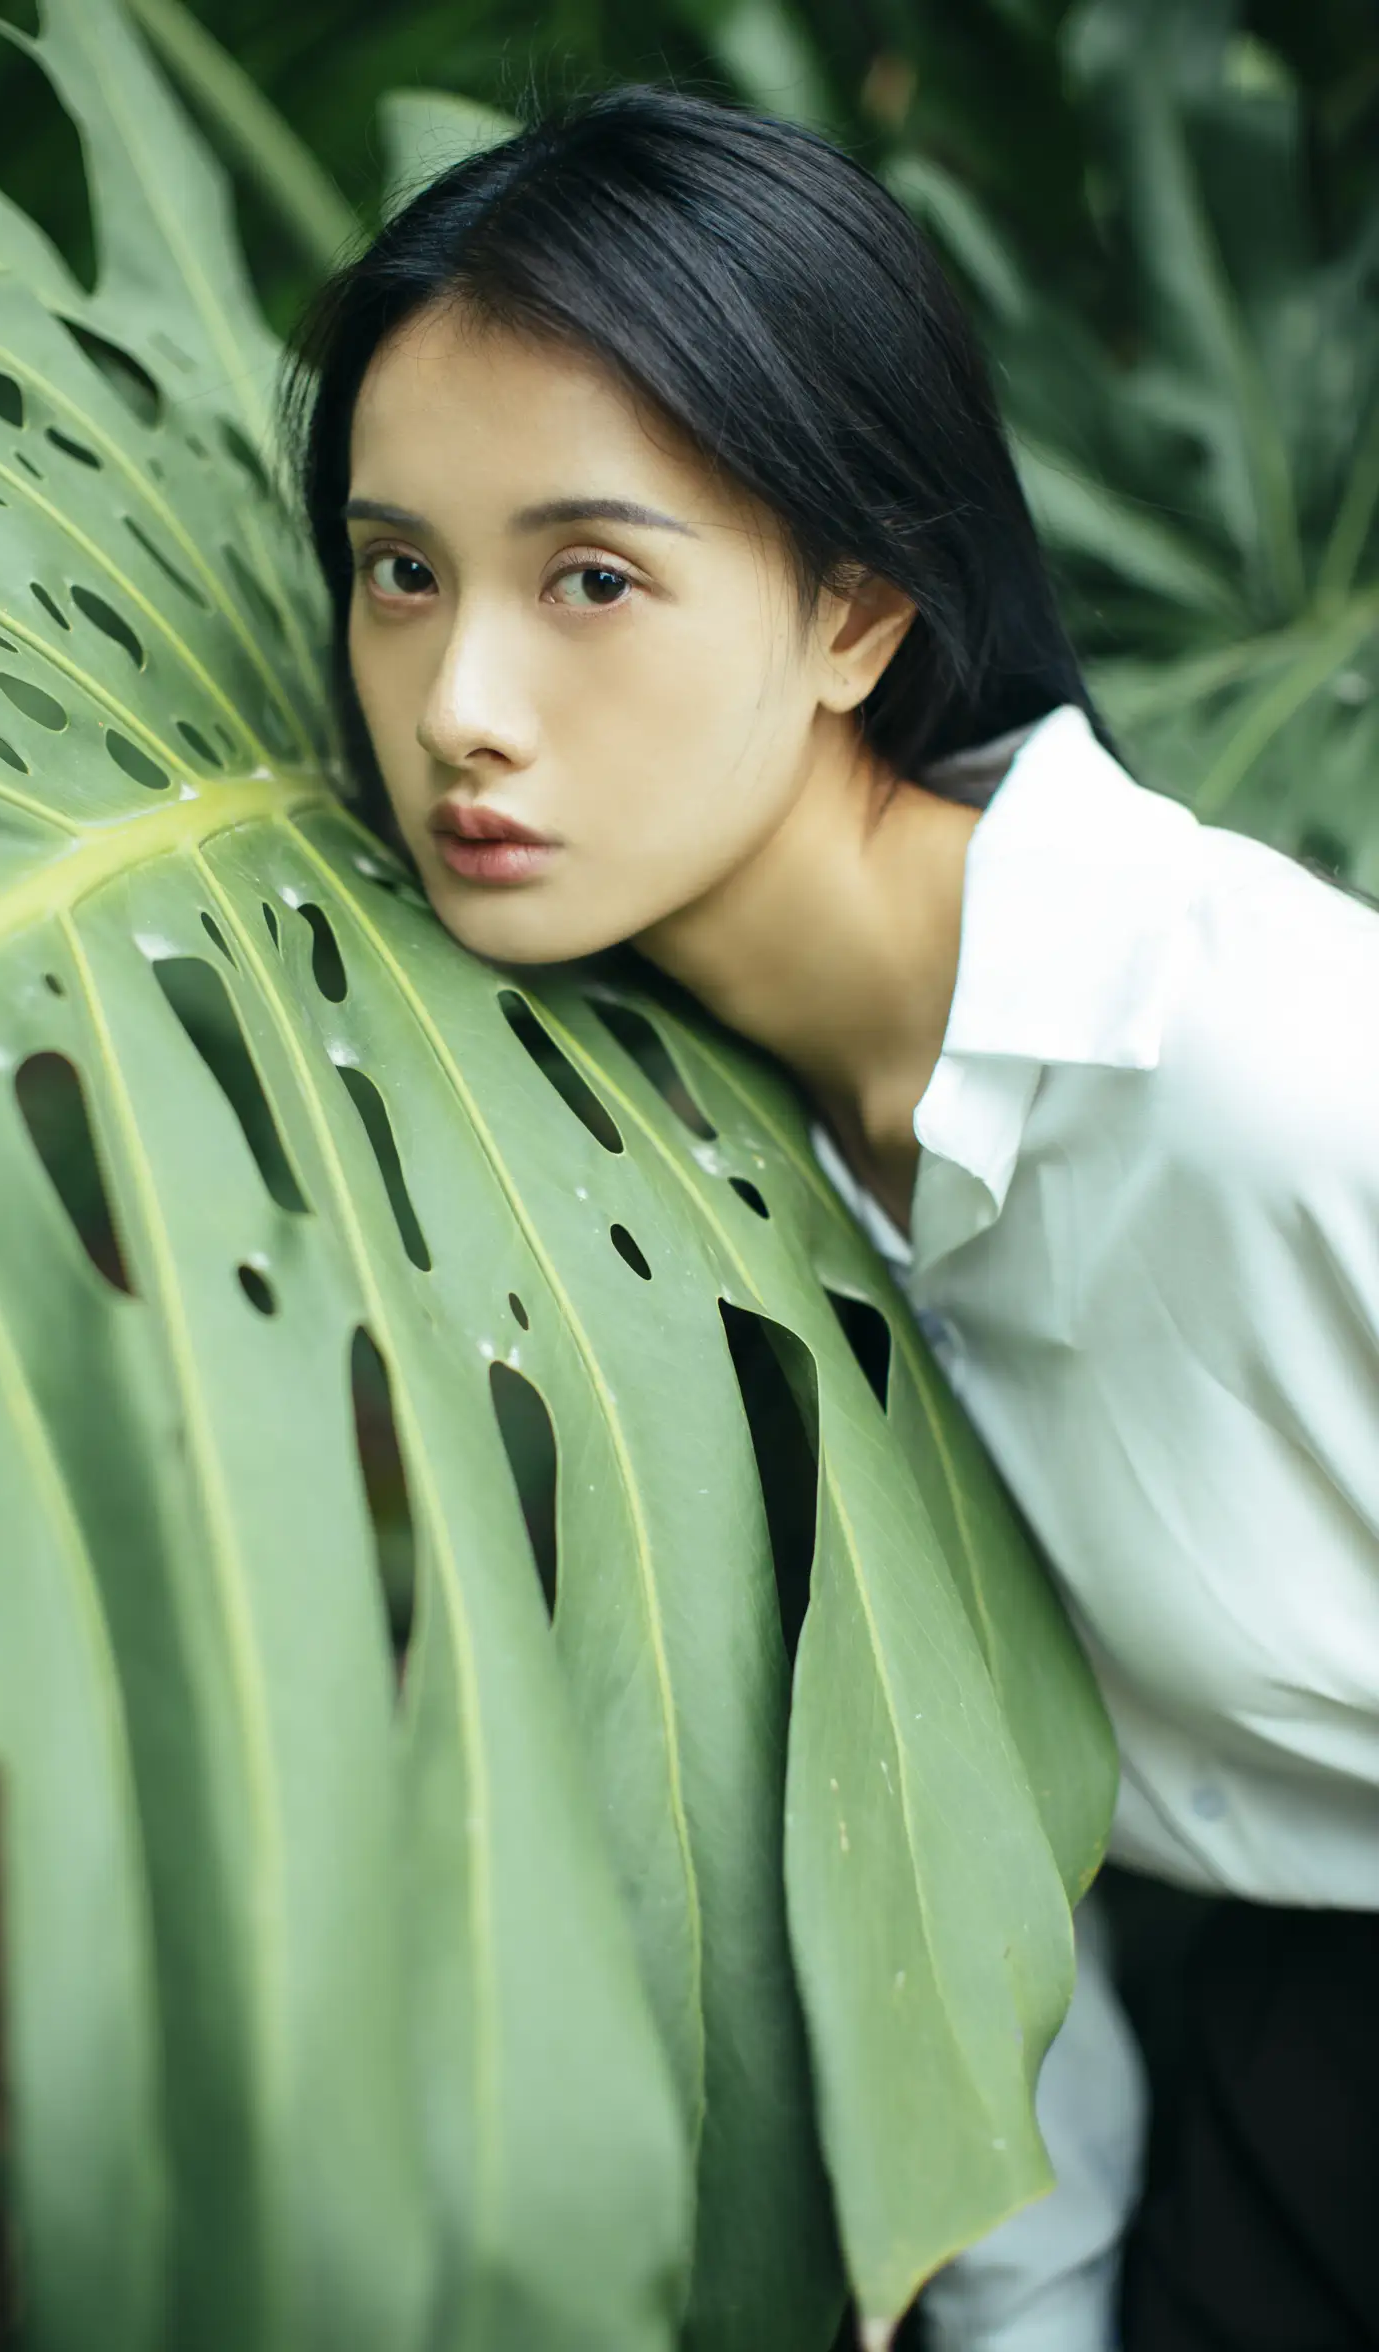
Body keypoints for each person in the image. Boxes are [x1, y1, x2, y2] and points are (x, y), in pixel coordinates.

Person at [281, 82, 1379, 2351]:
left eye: (591, 579)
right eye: (401, 570)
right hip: (1245, 2062)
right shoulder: (655, 1173)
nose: (458, 706)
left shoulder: (1259, 1072)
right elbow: (965, 1838)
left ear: (857, 613)